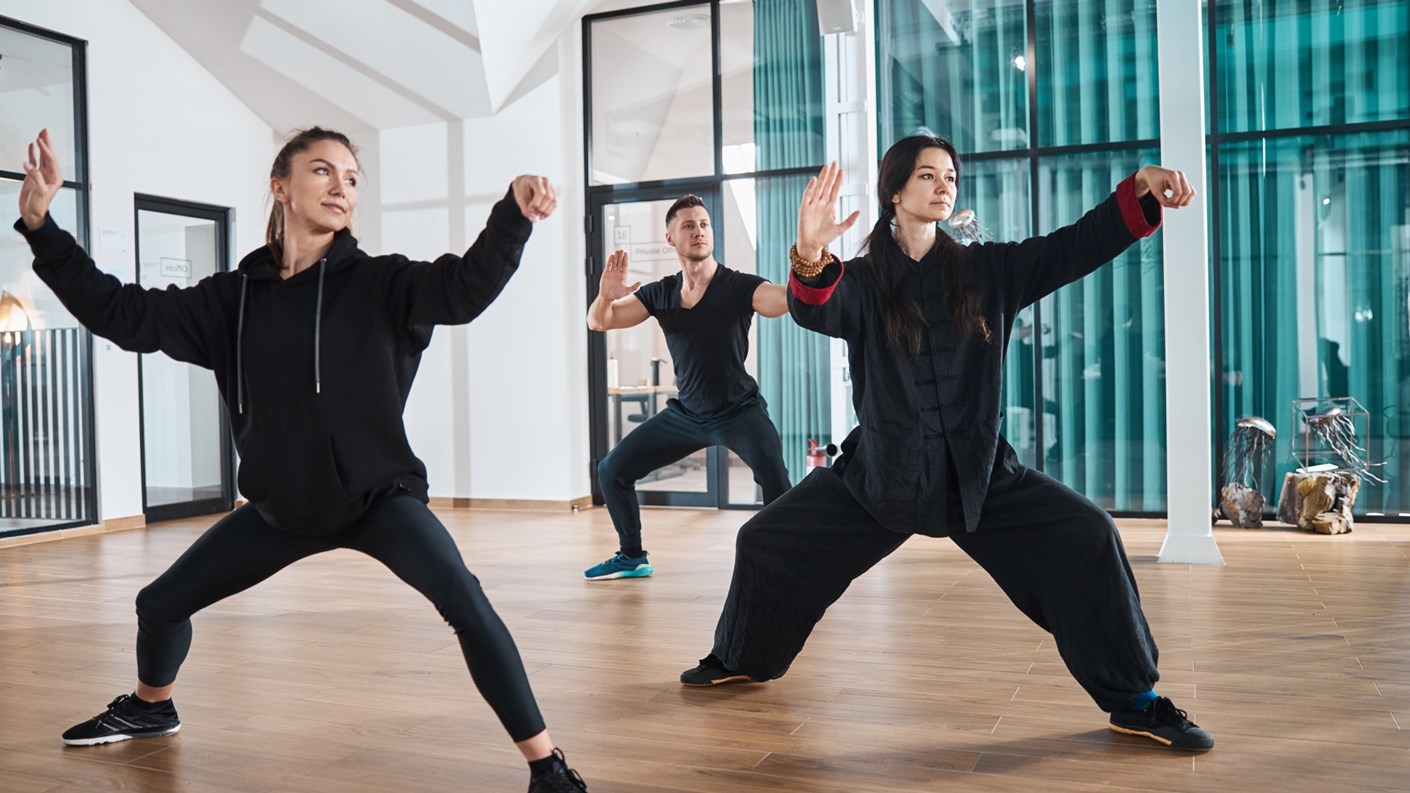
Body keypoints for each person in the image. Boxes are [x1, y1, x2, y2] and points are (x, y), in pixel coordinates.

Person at [16, 128, 588, 791]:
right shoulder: (230, 301)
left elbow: (463, 290)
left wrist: (512, 216)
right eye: (322, 170)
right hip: (282, 508)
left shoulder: (383, 282)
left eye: (350, 176)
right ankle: (151, 706)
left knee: (466, 600)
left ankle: (548, 767)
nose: (342, 185)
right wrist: (40, 225)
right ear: (280, 185)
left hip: (378, 499)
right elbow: (122, 312)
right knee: (160, 602)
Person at [678, 134, 1215, 752]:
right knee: (764, 539)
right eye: (928, 176)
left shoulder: (988, 271)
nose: (944, 186)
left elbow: (1073, 247)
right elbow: (814, 309)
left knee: (1090, 534)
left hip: (979, 477)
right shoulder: (862, 279)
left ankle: (1136, 701)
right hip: (882, 477)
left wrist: (1140, 190)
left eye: (951, 178)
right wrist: (808, 250)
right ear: (896, 192)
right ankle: (743, 656)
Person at [583, 195, 792, 580]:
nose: (699, 231)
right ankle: (632, 556)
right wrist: (606, 295)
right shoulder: (660, 293)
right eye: (688, 225)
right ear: (670, 238)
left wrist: (809, 270)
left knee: (776, 479)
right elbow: (600, 322)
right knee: (612, 470)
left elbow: (781, 300)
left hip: (739, 411)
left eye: (704, 224)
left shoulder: (738, 285)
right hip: (687, 414)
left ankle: (790, 559)